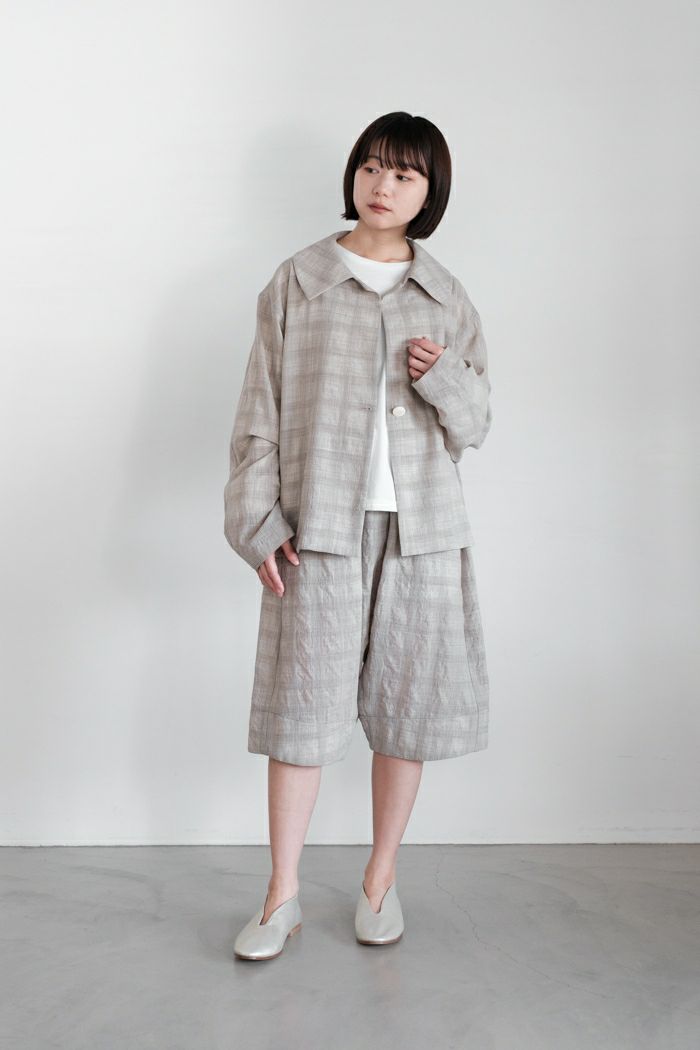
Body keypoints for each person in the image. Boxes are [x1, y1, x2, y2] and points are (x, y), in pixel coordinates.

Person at [224, 111, 493, 961]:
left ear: (429, 192)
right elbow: (258, 412)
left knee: (404, 712)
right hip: (319, 530)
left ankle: (381, 880)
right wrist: (257, 524)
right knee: (301, 712)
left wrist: (444, 379)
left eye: (405, 175)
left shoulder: (445, 296)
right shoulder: (298, 282)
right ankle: (282, 896)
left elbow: (476, 424)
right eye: (373, 166)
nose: (384, 185)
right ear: (354, 173)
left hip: (423, 534)